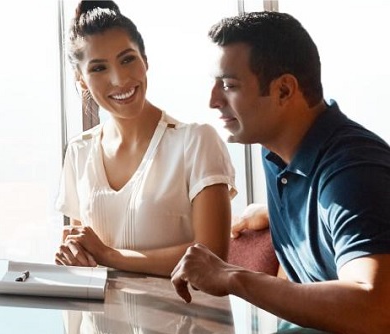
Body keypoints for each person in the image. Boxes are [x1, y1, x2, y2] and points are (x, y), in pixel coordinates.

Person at [171, 12, 390, 333]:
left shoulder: (353, 172)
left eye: (229, 85)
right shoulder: (276, 152)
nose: (213, 100)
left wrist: (231, 276)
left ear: (285, 90)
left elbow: (375, 307)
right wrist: (272, 213)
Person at [54, 0, 236, 277]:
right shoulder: (80, 151)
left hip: (184, 318)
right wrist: (74, 254)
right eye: (98, 68)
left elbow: (211, 256)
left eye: (127, 59)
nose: (119, 79)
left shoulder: (196, 141)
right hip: (100, 318)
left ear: (145, 60)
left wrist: (109, 256)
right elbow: (83, 251)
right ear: (80, 79)